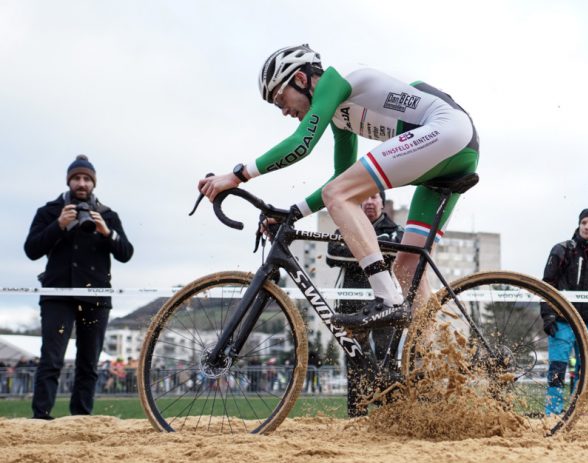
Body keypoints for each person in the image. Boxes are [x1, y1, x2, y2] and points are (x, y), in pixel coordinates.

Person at [198, 44, 479, 330]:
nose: (283, 111)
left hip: (446, 131)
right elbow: (341, 177)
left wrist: (237, 175)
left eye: (280, 98)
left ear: (300, 79)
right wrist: (294, 213)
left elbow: (301, 144)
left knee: (340, 195)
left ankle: (386, 299)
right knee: (406, 267)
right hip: (455, 151)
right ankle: (433, 360)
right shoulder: (338, 114)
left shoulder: (335, 79)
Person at [23, 155, 134, 419]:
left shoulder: (108, 215)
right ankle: (41, 417)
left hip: (95, 298)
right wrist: (58, 225)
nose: (81, 183)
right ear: (69, 181)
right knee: (51, 359)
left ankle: (81, 419)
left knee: (89, 363)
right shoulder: (48, 211)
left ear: (93, 183)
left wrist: (107, 232)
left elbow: (126, 253)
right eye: (76, 178)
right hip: (57, 296)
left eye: (86, 179)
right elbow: (31, 250)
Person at [326, 191, 404, 417]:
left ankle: (390, 412)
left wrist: (358, 249)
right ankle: (356, 413)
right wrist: (371, 251)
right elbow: (333, 254)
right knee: (354, 359)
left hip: (385, 303)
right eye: (365, 198)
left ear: (383, 202)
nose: (369, 202)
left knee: (385, 357)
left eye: (374, 197)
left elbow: (394, 251)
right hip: (350, 304)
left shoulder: (395, 231)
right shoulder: (344, 227)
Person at [540, 208, 588, 415]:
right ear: (579, 224)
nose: (587, 227)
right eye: (584, 223)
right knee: (558, 367)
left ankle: (580, 411)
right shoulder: (562, 250)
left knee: (586, 369)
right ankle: (553, 412)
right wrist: (548, 314)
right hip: (563, 320)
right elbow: (547, 284)